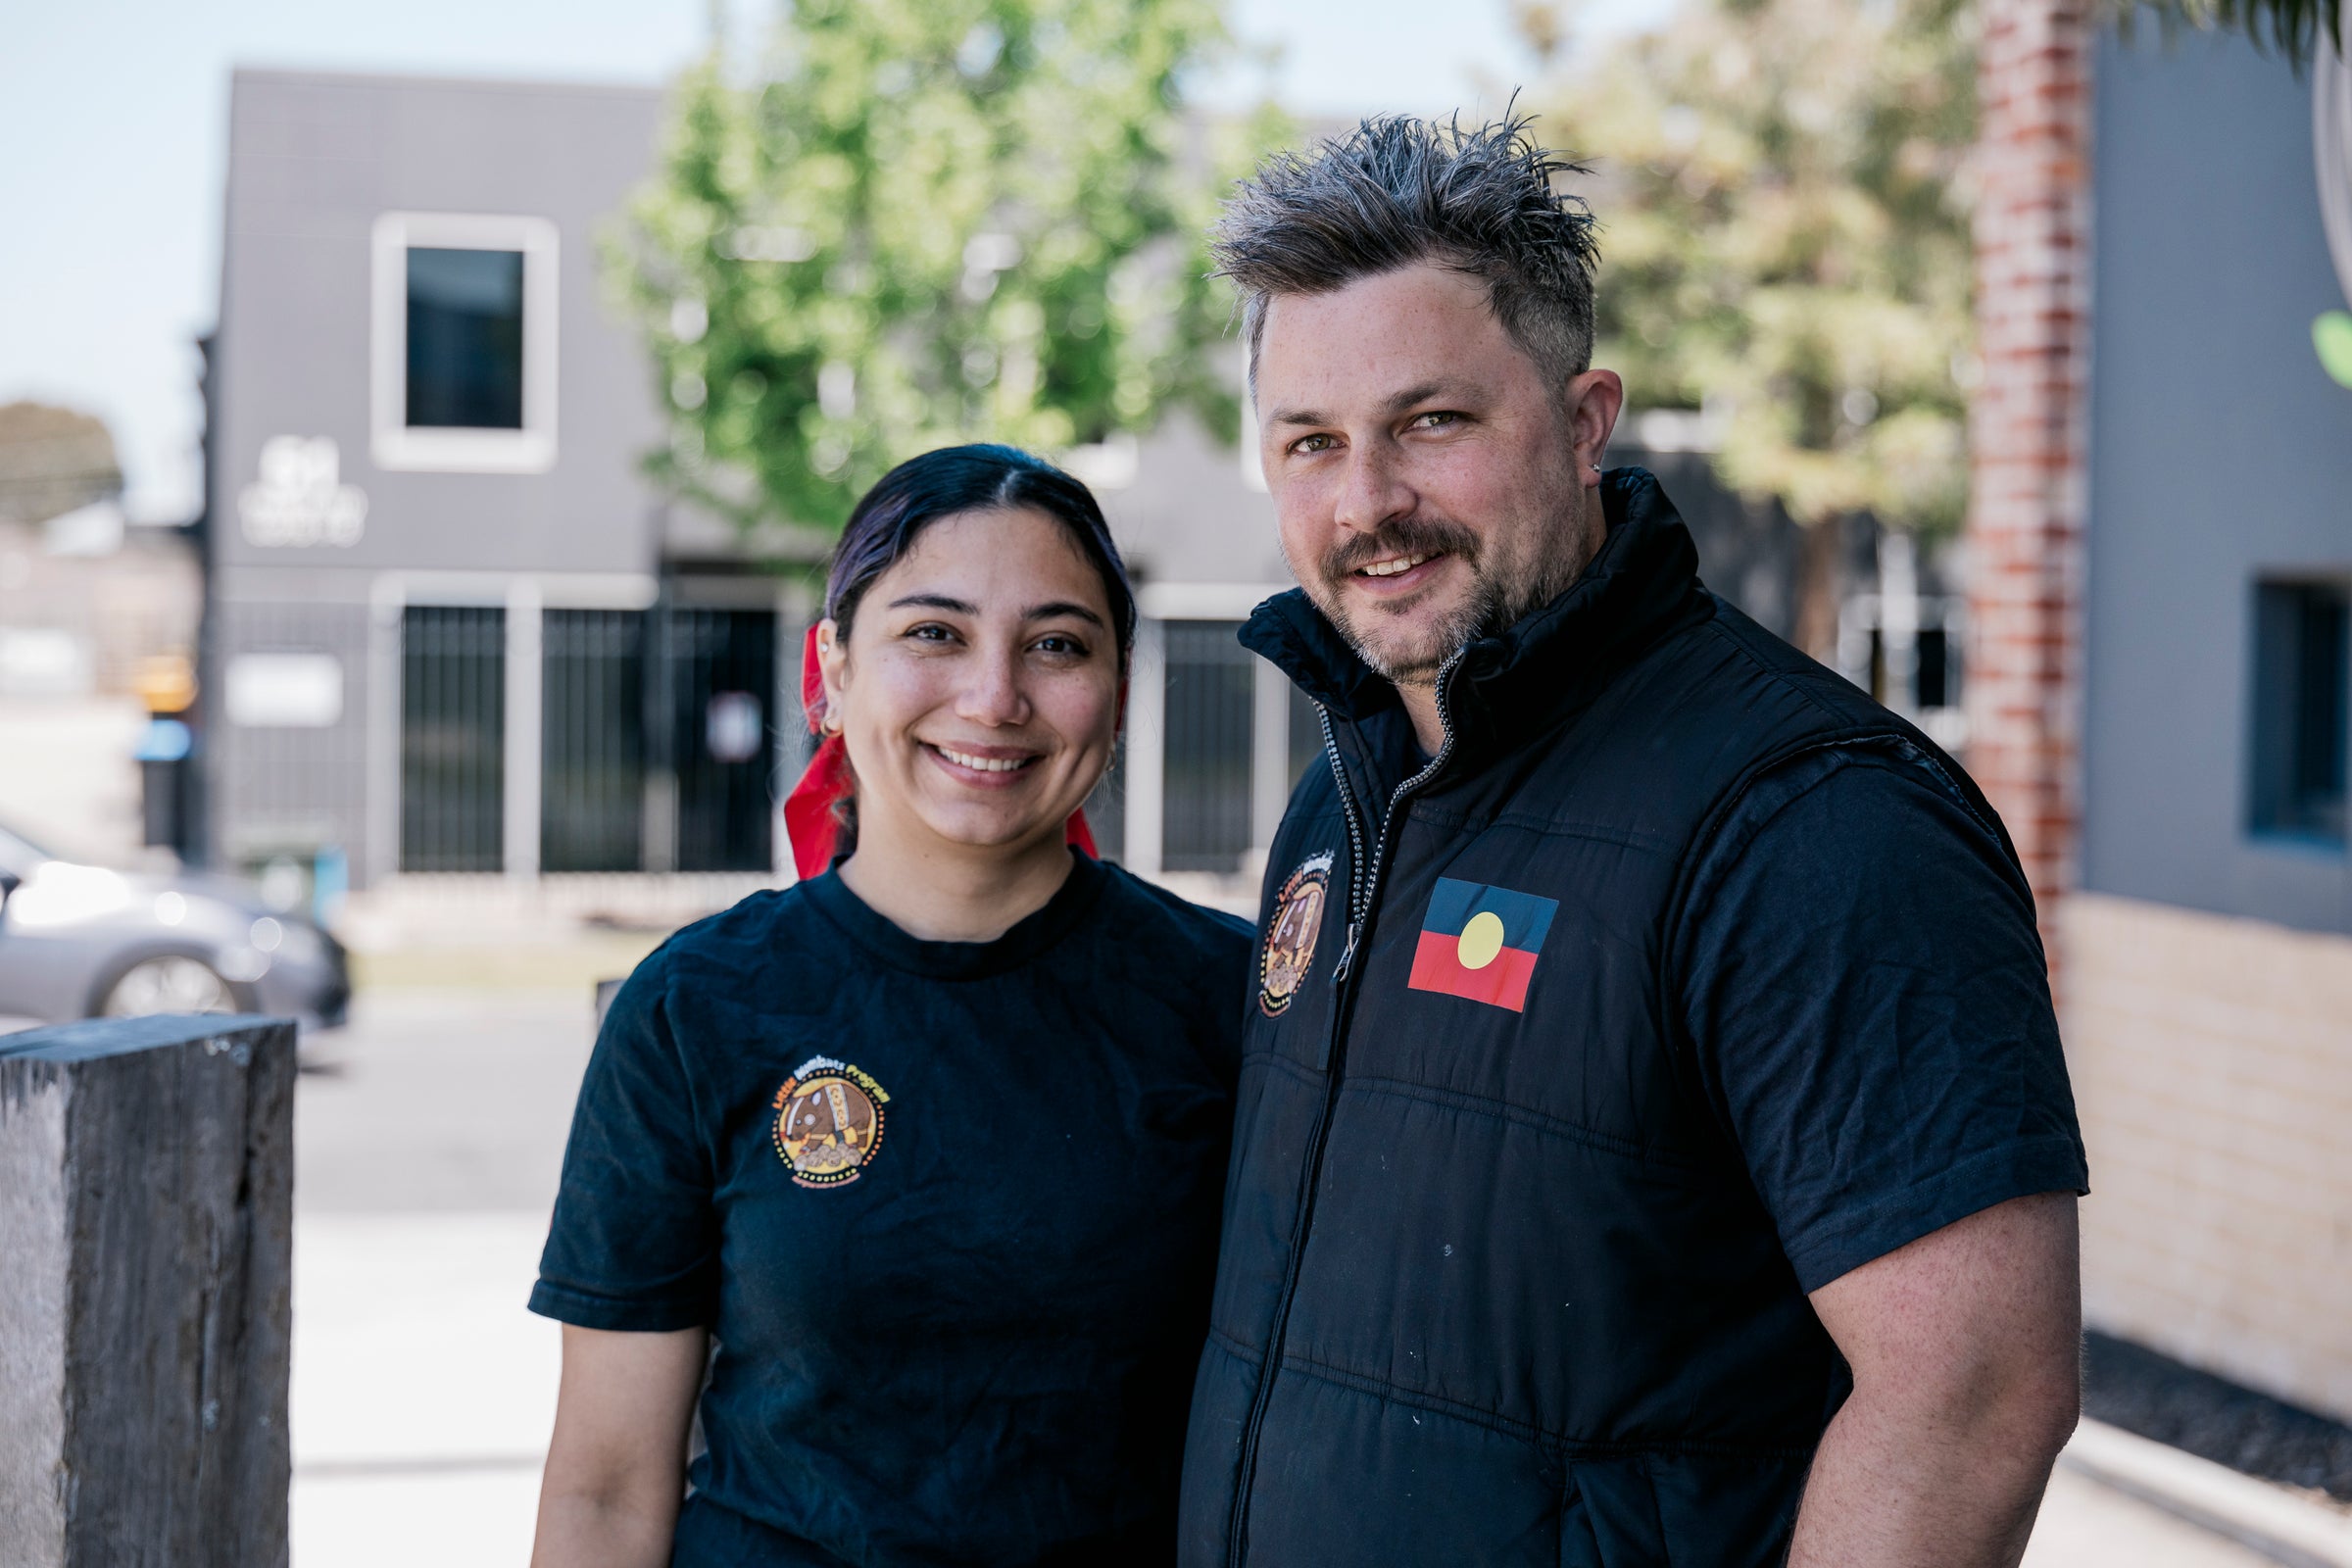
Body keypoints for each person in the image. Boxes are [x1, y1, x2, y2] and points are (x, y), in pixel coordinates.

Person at [1179, 116, 2088, 1568]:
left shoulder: (1814, 820)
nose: (1366, 503)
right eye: (1310, 442)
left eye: (1432, 422)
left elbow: (1975, 1395)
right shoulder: (1345, 794)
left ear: (1587, 420)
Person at [528, 444, 1252, 1567]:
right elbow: (608, 1490)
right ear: (830, 671)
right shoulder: (697, 1008)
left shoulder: (1232, 1003)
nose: (995, 695)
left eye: (1056, 644)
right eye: (934, 633)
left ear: (1115, 692)